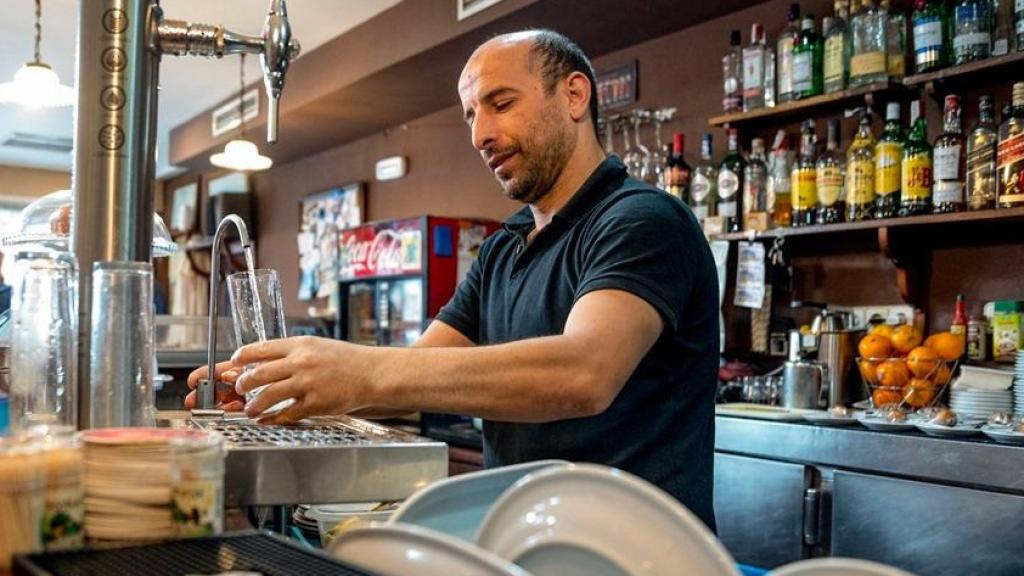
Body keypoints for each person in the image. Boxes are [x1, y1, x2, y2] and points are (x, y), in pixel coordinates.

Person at [187, 29, 720, 529]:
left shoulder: (642, 220)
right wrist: (292, 389)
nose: (480, 135)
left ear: (574, 96)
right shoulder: (504, 248)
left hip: (640, 551)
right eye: (470, 115)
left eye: (501, 104)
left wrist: (362, 369)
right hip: (527, 541)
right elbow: (417, 374)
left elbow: (583, 374)